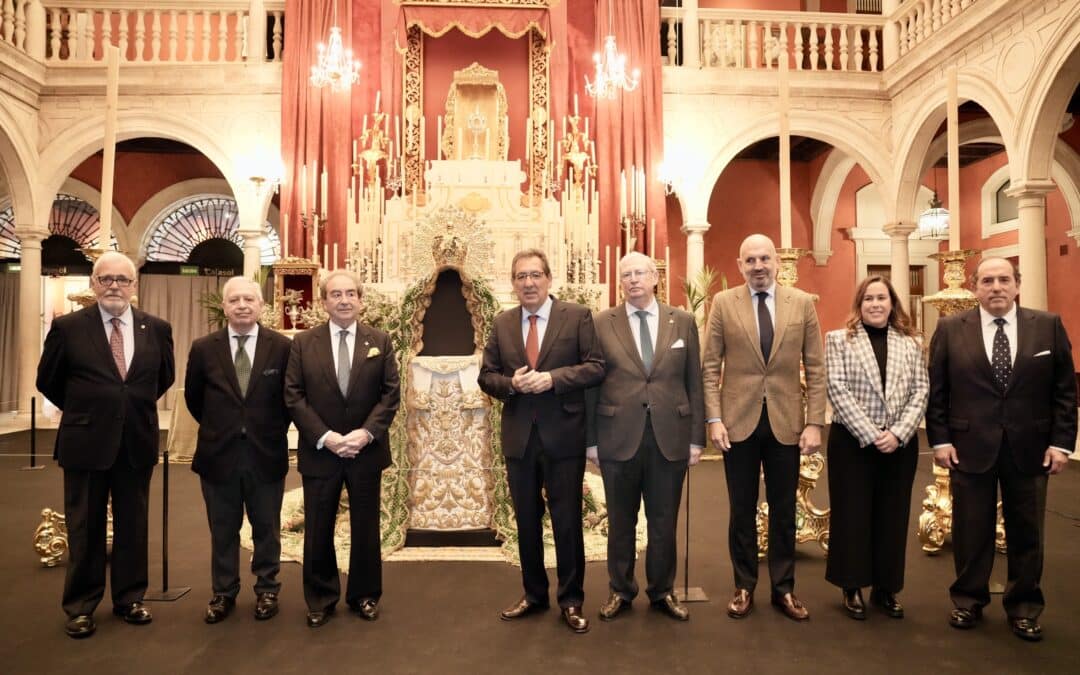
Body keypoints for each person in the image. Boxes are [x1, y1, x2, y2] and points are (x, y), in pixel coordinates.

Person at [927, 257, 1075, 642]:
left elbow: (1065, 392)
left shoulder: (1048, 326)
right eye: (988, 280)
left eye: (1004, 280)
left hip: (1031, 448)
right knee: (970, 530)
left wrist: (1062, 443)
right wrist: (939, 440)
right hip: (967, 447)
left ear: (1017, 285)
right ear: (975, 288)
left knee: (1028, 534)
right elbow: (937, 391)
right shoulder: (949, 329)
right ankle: (967, 600)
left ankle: (1024, 607)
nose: (996, 287)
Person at [36, 251, 175, 639]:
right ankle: (81, 606)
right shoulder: (68, 328)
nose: (115, 285)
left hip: (136, 441)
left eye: (123, 279)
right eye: (106, 278)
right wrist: (89, 409)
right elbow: (48, 379)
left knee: (134, 525)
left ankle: (130, 599)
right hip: (85, 441)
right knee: (85, 527)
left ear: (135, 286)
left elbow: (162, 377)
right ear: (94, 283)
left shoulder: (157, 328)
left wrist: (125, 406)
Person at [478, 249, 604, 634]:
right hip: (520, 438)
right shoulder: (502, 323)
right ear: (513, 283)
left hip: (563, 436)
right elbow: (486, 376)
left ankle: (571, 600)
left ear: (549, 279)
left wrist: (552, 379)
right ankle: (534, 594)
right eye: (521, 277)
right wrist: (511, 384)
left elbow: (595, 367)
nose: (528, 283)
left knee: (567, 522)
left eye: (535, 275)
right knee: (526, 522)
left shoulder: (577, 316)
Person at [702, 233, 825, 622]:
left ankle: (784, 589)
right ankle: (743, 586)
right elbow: (709, 367)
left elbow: (817, 368)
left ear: (776, 263)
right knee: (741, 509)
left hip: (787, 423)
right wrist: (715, 418)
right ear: (740, 265)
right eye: (750, 260)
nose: (758, 266)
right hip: (737, 423)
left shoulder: (802, 303)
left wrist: (815, 423)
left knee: (785, 510)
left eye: (764, 259)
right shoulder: (723, 303)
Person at [586, 252, 704, 622]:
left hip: (670, 436)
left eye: (640, 273)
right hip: (617, 435)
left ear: (656, 277)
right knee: (620, 521)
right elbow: (590, 386)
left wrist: (696, 439)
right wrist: (591, 441)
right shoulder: (601, 323)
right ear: (619, 282)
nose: (633, 279)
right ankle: (620, 591)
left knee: (663, 520)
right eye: (626, 275)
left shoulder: (682, 321)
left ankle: (662, 591)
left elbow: (695, 383)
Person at [284, 269, 400, 628]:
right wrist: (326, 436)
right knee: (318, 526)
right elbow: (293, 394)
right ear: (324, 302)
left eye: (351, 293)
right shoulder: (304, 343)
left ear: (361, 300)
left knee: (366, 527)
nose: (345, 300)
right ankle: (320, 597)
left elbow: (390, 394)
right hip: (321, 451)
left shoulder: (380, 339)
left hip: (366, 451)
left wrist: (366, 434)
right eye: (336, 294)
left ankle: (365, 595)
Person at [184, 277, 292, 624]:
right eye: (235, 300)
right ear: (225, 307)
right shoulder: (204, 348)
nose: (242, 305)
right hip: (219, 455)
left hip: (265, 453)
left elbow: (290, 399)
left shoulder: (282, 347)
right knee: (223, 529)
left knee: (266, 527)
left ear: (262, 305)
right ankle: (223, 592)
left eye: (249, 299)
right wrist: (225, 427)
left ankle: (267, 589)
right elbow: (194, 398)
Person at [824, 275, 928, 620]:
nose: (875, 304)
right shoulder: (838, 340)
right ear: (859, 304)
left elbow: (920, 392)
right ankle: (851, 586)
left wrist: (897, 433)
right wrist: (871, 433)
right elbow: (837, 390)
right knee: (852, 515)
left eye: (881, 298)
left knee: (893, 516)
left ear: (892, 303)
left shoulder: (912, 342)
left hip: (899, 444)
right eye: (868, 298)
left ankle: (886, 588)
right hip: (852, 443)